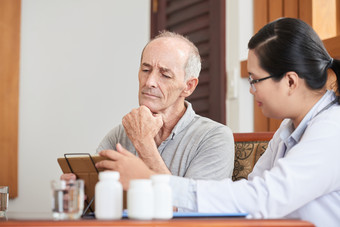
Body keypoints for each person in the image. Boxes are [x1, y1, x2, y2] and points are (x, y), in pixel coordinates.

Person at [96, 18, 340, 226]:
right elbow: (243, 199)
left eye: (255, 80)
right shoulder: (287, 130)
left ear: (290, 81)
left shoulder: (332, 130)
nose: (251, 90)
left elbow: (261, 198)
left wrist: (153, 180)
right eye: (145, 70)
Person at [63, 31, 234, 183]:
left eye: (165, 75)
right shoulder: (120, 133)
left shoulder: (215, 137)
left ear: (188, 86)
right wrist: (80, 190)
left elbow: (192, 209)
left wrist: (143, 143)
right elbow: (98, 193)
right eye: (145, 70)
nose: (149, 82)